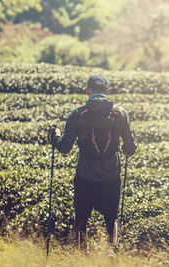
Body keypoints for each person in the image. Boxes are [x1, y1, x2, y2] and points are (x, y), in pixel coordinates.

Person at [47, 74, 136, 252]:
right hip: (111, 175)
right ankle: (112, 251)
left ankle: (83, 254)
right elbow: (130, 148)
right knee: (112, 218)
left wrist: (54, 136)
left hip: (85, 176)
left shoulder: (78, 114)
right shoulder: (120, 114)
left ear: (88, 91)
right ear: (107, 91)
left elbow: (64, 147)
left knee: (81, 218)